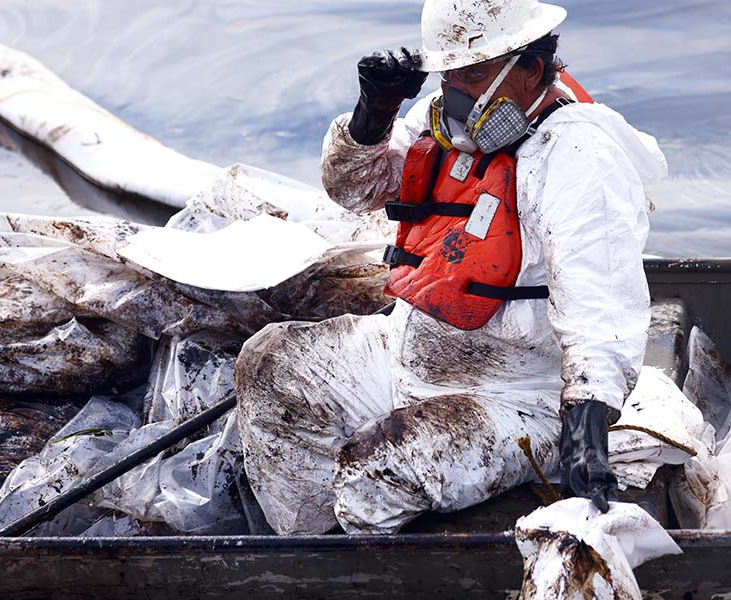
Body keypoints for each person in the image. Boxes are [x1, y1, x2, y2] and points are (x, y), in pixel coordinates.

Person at [233, 0, 668, 535]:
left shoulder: (578, 153)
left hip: (516, 396)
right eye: (449, 72)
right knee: (270, 362)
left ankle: (378, 576)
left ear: (531, 67)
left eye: (476, 72)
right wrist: (372, 116)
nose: (458, 89)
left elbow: (599, 302)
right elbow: (354, 190)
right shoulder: (439, 124)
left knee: (378, 468)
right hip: (405, 357)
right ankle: (306, 558)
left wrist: (586, 419)